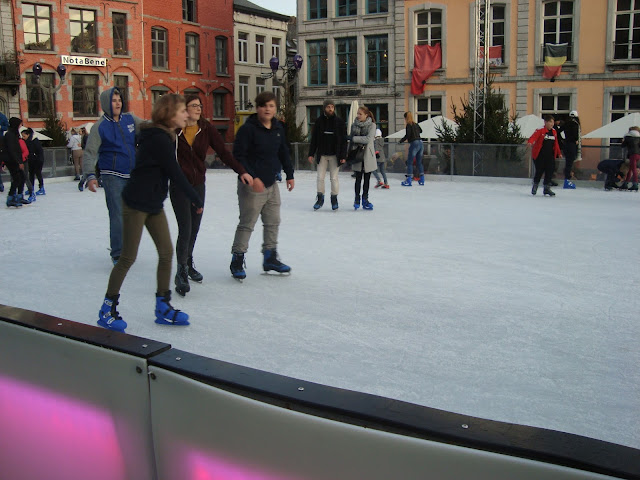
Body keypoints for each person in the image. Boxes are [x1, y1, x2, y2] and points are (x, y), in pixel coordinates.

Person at [97, 93, 204, 333]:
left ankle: (162, 307)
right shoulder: (159, 139)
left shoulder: (166, 136)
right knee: (127, 258)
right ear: (170, 115)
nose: (186, 114)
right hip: (136, 204)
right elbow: (175, 172)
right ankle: (107, 309)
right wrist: (195, 197)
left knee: (166, 253)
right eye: (182, 111)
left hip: (154, 204)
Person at [171, 94, 251, 296]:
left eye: (200, 105)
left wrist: (241, 171)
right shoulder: (175, 129)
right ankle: (181, 271)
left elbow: (224, 153)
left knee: (194, 227)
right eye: (193, 105)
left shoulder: (206, 129)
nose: (198, 108)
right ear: (185, 109)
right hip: (179, 186)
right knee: (185, 227)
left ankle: (188, 262)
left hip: (198, 185)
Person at [229, 91, 294, 280]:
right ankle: (237, 259)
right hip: (251, 185)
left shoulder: (278, 128)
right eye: (264, 105)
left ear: (275, 109)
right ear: (257, 108)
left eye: (271, 106)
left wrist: (289, 174)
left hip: (271, 183)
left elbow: (283, 152)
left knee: (273, 221)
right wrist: (252, 177)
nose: (267, 109)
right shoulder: (248, 130)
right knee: (247, 223)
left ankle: (270, 257)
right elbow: (239, 156)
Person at [83, 87, 143, 264]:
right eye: (114, 101)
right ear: (106, 103)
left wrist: (165, 122)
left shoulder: (130, 119)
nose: (118, 104)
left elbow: (148, 126)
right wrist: (90, 175)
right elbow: (90, 152)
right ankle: (117, 252)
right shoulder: (100, 126)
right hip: (112, 174)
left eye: (119, 100)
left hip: (131, 173)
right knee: (117, 214)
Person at [307, 98, 347, 210]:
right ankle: (320, 198)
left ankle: (334, 198)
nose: (330, 109)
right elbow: (314, 139)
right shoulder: (319, 121)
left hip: (335, 154)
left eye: (332, 107)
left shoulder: (339, 122)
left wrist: (343, 155)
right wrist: (311, 153)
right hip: (322, 154)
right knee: (320, 177)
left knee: (334, 178)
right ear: (324, 108)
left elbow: (344, 140)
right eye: (328, 107)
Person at [349, 106, 376, 210]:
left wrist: (354, 138)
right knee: (358, 178)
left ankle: (365, 199)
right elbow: (351, 141)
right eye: (357, 113)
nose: (358, 116)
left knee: (367, 179)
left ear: (366, 115)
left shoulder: (372, 125)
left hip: (368, 155)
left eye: (360, 114)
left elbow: (368, 139)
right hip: (357, 154)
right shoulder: (354, 125)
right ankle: (357, 199)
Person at [528, 115, 561, 196]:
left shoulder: (554, 132)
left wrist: (559, 153)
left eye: (553, 122)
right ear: (545, 122)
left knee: (550, 171)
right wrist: (530, 142)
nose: (552, 124)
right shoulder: (540, 130)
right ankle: (535, 185)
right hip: (540, 155)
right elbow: (533, 137)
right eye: (550, 122)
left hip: (550, 155)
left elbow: (556, 143)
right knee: (539, 171)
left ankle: (546, 188)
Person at [4, 117, 28, 207]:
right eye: (19, 124)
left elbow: (17, 150)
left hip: (16, 159)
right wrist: (19, 162)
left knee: (22, 177)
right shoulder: (9, 135)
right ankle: (11, 198)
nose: (20, 126)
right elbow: (12, 150)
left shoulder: (14, 134)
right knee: (17, 178)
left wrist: (20, 160)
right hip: (11, 160)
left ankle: (19, 196)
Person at [399, 112, 424, 186]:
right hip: (420, 142)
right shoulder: (416, 124)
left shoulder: (408, 125)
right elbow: (421, 131)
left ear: (406, 118)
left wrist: (401, 141)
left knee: (410, 162)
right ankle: (422, 179)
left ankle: (409, 179)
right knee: (419, 162)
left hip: (414, 143)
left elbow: (408, 135)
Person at [560, 111, 580, 189]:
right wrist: (575, 140)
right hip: (572, 145)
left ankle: (567, 180)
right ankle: (567, 180)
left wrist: (562, 139)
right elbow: (575, 136)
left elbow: (559, 131)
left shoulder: (566, 123)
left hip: (566, 145)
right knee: (570, 163)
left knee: (568, 163)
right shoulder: (575, 124)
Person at [22, 128, 45, 196]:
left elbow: (35, 151)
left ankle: (41, 188)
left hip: (38, 160)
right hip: (31, 160)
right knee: (31, 174)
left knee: (38, 173)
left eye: (24, 136)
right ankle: (31, 188)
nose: (23, 137)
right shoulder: (28, 141)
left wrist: (35, 158)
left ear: (28, 135)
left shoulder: (34, 141)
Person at [620, 127, 640, 191]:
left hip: (632, 155)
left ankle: (635, 184)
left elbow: (623, 146)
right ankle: (626, 183)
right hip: (638, 155)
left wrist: (622, 141)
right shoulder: (639, 137)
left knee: (633, 170)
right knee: (631, 169)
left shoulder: (628, 137)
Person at [18, 131, 35, 203]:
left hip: (23, 162)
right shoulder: (12, 142)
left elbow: (26, 152)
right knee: (15, 178)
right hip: (17, 162)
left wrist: (20, 159)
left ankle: (31, 193)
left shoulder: (21, 141)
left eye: (24, 136)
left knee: (25, 177)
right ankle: (17, 194)